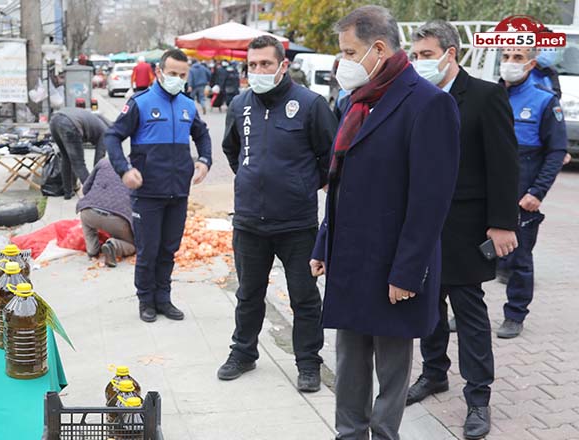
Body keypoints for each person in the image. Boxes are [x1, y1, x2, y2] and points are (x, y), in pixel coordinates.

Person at [310, 6, 460, 439]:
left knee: (392, 369)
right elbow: (339, 182)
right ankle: (349, 433)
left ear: (378, 49)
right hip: (351, 259)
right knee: (350, 362)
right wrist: (324, 244)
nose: (342, 62)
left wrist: (408, 271)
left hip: (394, 264)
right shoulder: (355, 101)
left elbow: (430, 200)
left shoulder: (429, 104)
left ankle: (384, 434)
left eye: (348, 51)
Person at [406, 20, 520, 440]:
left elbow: (505, 164)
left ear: (450, 54)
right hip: (421, 223)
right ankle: (434, 374)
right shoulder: (415, 96)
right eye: (415, 55)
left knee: (468, 311)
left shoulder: (486, 96)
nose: (419, 63)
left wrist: (503, 222)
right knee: (428, 304)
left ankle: (478, 397)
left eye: (427, 55)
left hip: (466, 224)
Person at [218, 35, 338, 391]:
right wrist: (254, 181)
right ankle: (243, 353)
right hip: (250, 221)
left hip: (297, 224)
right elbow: (232, 151)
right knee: (248, 293)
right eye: (252, 65)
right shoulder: (239, 104)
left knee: (304, 297)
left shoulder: (311, 104)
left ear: (283, 65)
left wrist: (299, 184)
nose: (258, 71)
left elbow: (329, 157)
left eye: (265, 64)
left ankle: (308, 363)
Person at [105, 48, 212, 323]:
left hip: (179, 192)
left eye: (182, 75)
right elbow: (113, 136)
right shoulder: (140, 102)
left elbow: (202, 135)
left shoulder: (189, 105)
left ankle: (163, 298)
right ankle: (146, 301)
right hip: (148, 193)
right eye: (172, 73)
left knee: (169, 249)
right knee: (148, 250)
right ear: (159, 73)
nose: (177, 78)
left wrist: (204, 160)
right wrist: (124, 170)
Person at [496, 46, 567, 339]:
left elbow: (557, 152)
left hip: (522, 196)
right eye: (505, 57)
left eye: (518, 58)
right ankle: (465, 312)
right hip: (488, 193)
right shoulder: (490, 96)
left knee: (519, 259)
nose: (510, 63)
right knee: (474, 258)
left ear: (532, 63)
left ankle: (515, 315)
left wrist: (537, 193)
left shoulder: (544, 101)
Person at [77, 158, 136, 267]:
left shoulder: (104, 162)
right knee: (132, 246)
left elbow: (85, 189)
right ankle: (113, 246)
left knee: (86, 220)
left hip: (89, 211)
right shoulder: (139, 172)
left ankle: (92, 250)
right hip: (118, 219)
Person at [48, 107, 112, 199]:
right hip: (70, 124)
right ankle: (93, 194)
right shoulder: (106, 132)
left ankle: (68, 192)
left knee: (65, 157)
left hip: (55, 121)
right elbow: (98, 163)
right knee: (79, 163)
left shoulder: (96, 120)